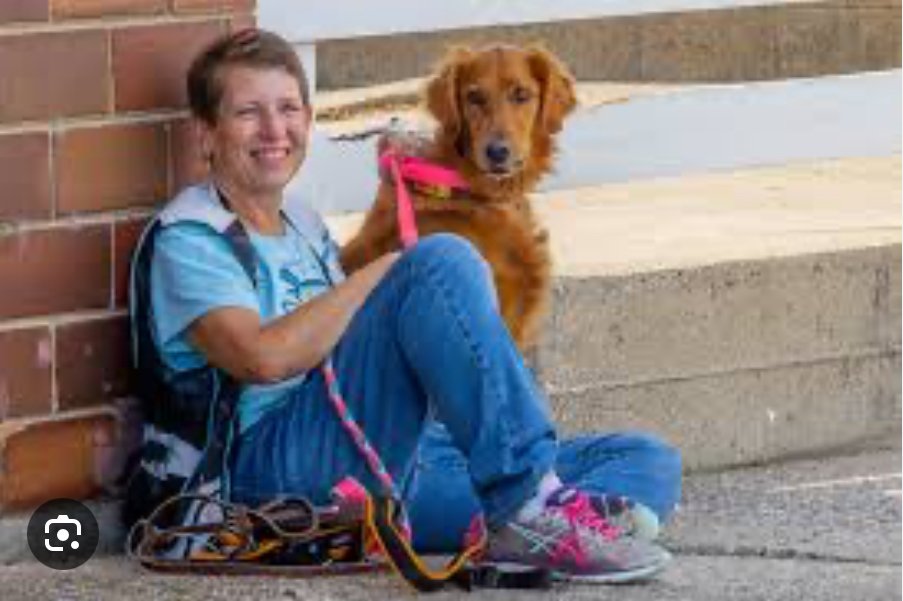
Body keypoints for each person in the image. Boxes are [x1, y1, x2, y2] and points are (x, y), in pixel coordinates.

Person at [128, 28, 682, 584]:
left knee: (643, 459)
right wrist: (392, 268)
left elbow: (371, 339)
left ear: (308, 121)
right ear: (206, 134)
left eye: (288, 109)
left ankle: (528, 521)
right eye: (249, 112)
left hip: (377, 452)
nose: (275, 130)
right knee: (441, 258)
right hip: (266, 474)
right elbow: (262, 358)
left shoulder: (301, 223)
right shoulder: (191, 237)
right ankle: (527, 509)